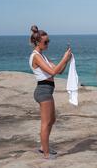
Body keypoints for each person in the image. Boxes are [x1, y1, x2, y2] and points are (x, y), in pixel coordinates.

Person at [29, 25, 72, 159]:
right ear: (37, 42)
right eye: (45, 42)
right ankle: (46, 153)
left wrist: (67, 60)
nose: (47, 44)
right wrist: (64, 58)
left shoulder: (43, 56)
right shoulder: (36, 56)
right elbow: (52, 72)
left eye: (49, 41)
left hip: (47, 91)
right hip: (43, 91)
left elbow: (59, 71)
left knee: (51, 120)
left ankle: (44, 146)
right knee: (46, 123)